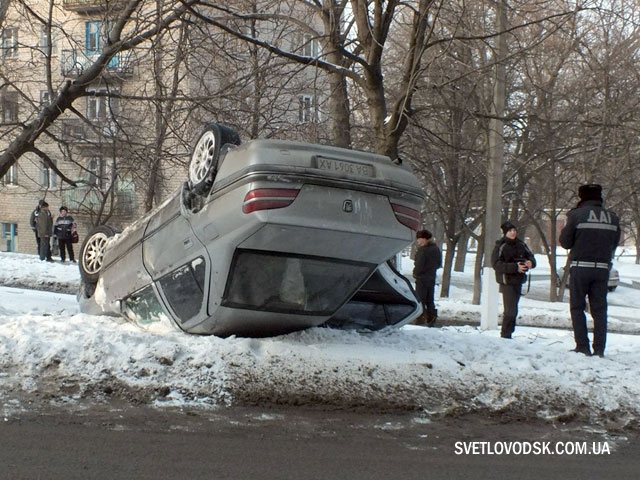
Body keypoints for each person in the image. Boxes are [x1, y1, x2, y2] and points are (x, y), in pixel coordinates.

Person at [559, 184, 620, 357]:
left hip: (580, 268)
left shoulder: (576, 215)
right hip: (602, 269)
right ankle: (599, 349)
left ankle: (582, 346)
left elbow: (565, 242)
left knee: (577, 307)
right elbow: (614, 244)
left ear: (582, 197)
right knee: (600, 310)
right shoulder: (612, 218)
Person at [491, 221, 536, 339]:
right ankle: (505, 334)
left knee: (514, 310)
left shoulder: (521, 244)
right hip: (507, 281)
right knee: (510, 310)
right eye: (510, 231)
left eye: (514, 230)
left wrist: (530, 262)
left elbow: (530, 256)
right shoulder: (500, 245)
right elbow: (496, 264)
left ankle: (509, 333)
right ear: (505, 233)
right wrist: (515, 267)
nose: (513, 233)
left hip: (519, 280)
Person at [412, 229, 442, 327]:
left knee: (420, 299)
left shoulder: (423, 250)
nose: (418, 241)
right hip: (431, 277)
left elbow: (419, 264)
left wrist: (415, 273)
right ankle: (431, 317)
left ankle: (420, 318)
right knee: (430, 299)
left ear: (424, 239)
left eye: (419, 239)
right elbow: (438, 264)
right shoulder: (436, 249)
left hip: (422, 278)